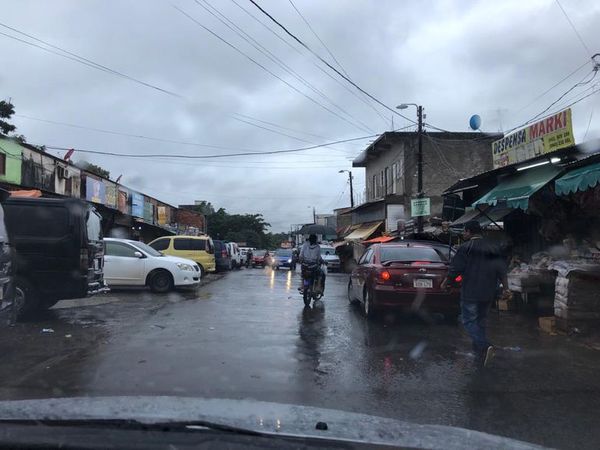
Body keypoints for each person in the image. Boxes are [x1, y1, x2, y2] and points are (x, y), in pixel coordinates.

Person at [445, 220, 509, 367]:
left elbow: (455, 269)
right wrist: (506, 288)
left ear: (468, 232)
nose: (464, 234)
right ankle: (480, 351)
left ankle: (485, 346)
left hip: (471, 291)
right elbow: (502, 270)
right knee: (480, 321)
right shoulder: (493, 248)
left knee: (468, 321)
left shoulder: (465, 248)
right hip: (488, 292)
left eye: (465, 232)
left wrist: (446, 282)